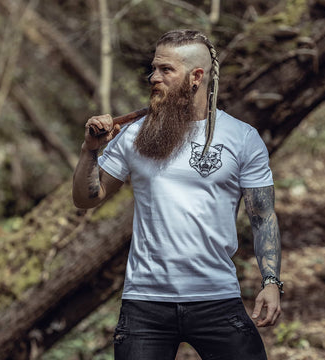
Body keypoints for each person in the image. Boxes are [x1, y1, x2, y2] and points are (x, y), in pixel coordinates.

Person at [72, 29, 282, 360]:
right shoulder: (132, 135)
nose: (154, 77)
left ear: (196, 76)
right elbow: (87, 198)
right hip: (145, 304)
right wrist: (90, 150)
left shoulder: (242, 138)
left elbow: (262, 214)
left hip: (217, 298)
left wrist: (271, 282)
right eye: (153, 68)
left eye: (166, 70)